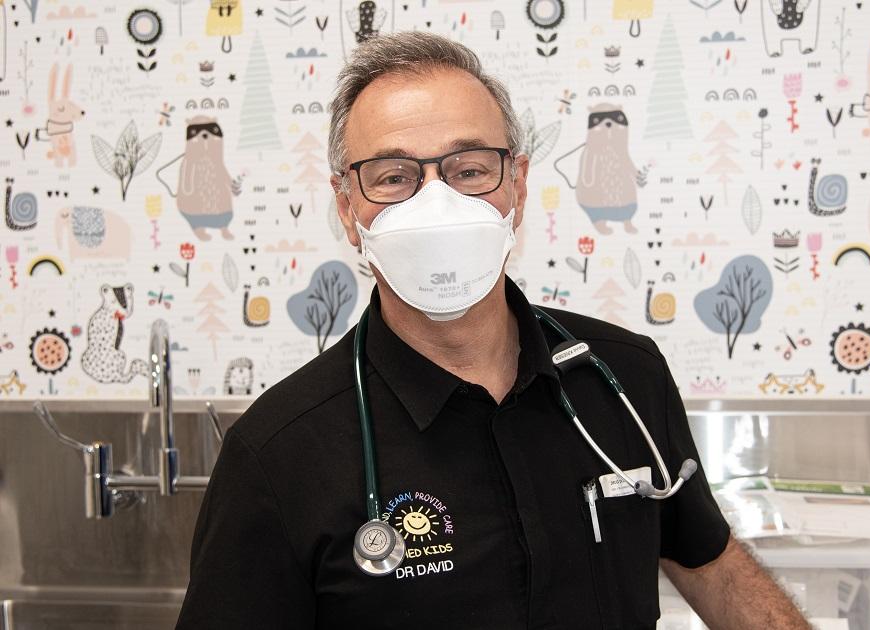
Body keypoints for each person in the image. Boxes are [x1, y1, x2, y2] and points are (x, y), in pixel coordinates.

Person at [177, 31, 810, 630]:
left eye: (470, 169)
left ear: (518, 185)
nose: (437, 204)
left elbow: (715, 567)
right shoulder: (278, 454)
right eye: (395, 177)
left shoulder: (623, 377)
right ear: (348, 208)